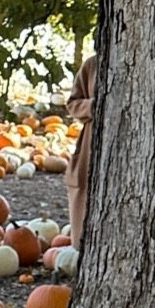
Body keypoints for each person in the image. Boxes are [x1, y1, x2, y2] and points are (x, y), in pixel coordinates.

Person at [65, 49, 97, 247]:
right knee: (84, 192)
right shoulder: (92, 65)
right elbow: (73, 103)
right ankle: (83, 247)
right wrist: (94, 106)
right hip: (92, 142)